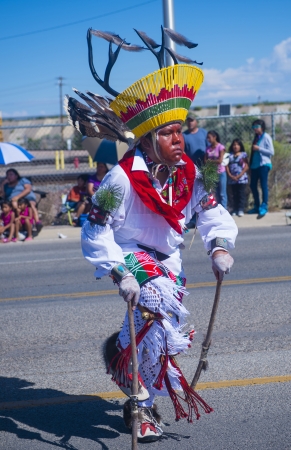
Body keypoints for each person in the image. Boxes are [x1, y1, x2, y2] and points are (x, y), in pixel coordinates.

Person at [66, 26, 238, 443]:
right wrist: (117, 271)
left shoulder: (198, 171)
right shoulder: (120, 181)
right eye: (167, 133)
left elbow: (213, 212)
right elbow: (95, 228)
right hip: (130, 253)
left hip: (169, 259)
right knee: (156, 299)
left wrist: (219, 247)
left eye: (181, 130)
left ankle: (125, 368)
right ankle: (142, 409)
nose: (179, 139)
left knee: (159, 334)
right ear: (147, 139)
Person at [183, 111, 208, 227]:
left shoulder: (203, 133)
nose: (190, 123)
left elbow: (210, 148)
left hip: (205, 168)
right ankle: (193, 219)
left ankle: (206, 217)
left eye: (192, 120)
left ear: (196, 121)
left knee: (206, 192)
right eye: (188, 121)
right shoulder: (184, 135)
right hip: (191, 170)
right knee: (193, 194)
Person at [0, 168, 42, 233]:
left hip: (27, 198)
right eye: (7, 175)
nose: (9, 176)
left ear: (16, 176)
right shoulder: (6, 185)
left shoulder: (23, 180)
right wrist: (2, 184)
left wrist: (18, 197)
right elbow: (2, 195)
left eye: (11, 174)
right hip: (13, 201)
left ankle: (37, 222)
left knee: (30, 204)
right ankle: (19, 224)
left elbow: (28, 189)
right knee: (14, 204)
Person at [248, 119, 274, 217]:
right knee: (253, 185)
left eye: (256, 126)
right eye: (253, 127)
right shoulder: (255, 138)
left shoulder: (266, 137)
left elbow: (271, 151)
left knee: (263, 185)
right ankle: (256, 205)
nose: (255, 129)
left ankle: (264, 206)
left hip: (264, 165)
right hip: (254, 166)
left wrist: (260, 149)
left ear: (262, 127)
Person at [204, 131, 227, 209]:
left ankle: (224, 209)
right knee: (214, 193)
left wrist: (210, 161)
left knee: (222, 193)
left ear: (214, 137)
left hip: (221, 173)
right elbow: (205, 161)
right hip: (212, 173)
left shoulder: (221, 147)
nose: (208, 139)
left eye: (209, 137)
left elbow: (220, 160)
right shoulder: (208, 148)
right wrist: (213, 161)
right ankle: (216, 209)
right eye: (207, 138)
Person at [226, 139, 249, 216]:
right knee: (234, 194)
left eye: (237, 145)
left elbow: (246, 166)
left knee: (241, 194)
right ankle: (235, 209)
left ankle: (241, 209)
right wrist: (230, 175)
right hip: (232, 179)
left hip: (241, 179)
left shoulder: (243, 154)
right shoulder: (229, 155)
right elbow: (226, 166)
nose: (235, 146)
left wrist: (240, 175)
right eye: (234, 145)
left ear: (240, 146)